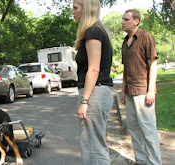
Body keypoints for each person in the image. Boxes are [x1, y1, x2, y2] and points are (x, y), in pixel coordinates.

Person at [72, 0, 113, 164]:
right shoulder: (96, 31)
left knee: (93, 145)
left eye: (75, 8)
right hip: (98, 92)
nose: (73, 12)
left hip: (95, 92)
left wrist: (85, 100)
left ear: (86, 9)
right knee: (91, 143)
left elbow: (94, 69)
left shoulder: (93, 32)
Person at [121, 9, 162, 165]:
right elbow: (125, 70)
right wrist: (123, 91)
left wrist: (151, 90)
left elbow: (153, 64)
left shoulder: (146, 37)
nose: (123, 22)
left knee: (148, 130)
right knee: (134, 129)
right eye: (123, 19)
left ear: (136, 21)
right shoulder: (125, 42)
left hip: (143, 91)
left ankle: (154, 162)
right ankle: (141, 160)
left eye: (126, 19)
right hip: (130, 91)